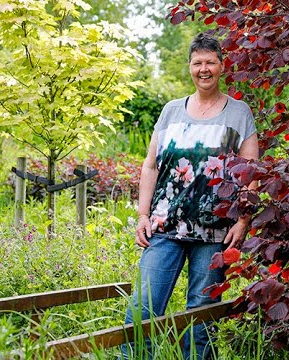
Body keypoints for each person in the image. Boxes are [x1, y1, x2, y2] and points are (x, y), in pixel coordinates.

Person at [121, 32, 259, 359]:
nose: (204, 69)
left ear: (222, 66)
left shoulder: (239, 113)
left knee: (202, 316)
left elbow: (252, 172)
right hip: (164, 228)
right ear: (189, 67)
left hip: (215, 232)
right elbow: (151, 165)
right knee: (143, 308)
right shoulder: (171, 111)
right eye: (197, 62)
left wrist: (243, 220)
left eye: (210, 62)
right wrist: (142, 215)